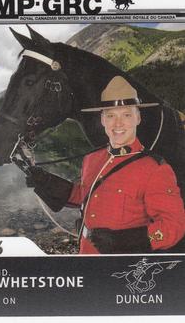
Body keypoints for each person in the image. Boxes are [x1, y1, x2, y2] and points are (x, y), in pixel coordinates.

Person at [26, 76, 185, 254]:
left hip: (122, 264)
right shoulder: (92, 159)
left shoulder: (154, 169)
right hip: (85, 253)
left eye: (126, 114)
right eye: (110, 115)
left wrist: (125, 241)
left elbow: (174, 226)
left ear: (137, 118)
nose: (118, 123)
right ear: (102, 120)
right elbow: (87, 195)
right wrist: (46, 182)